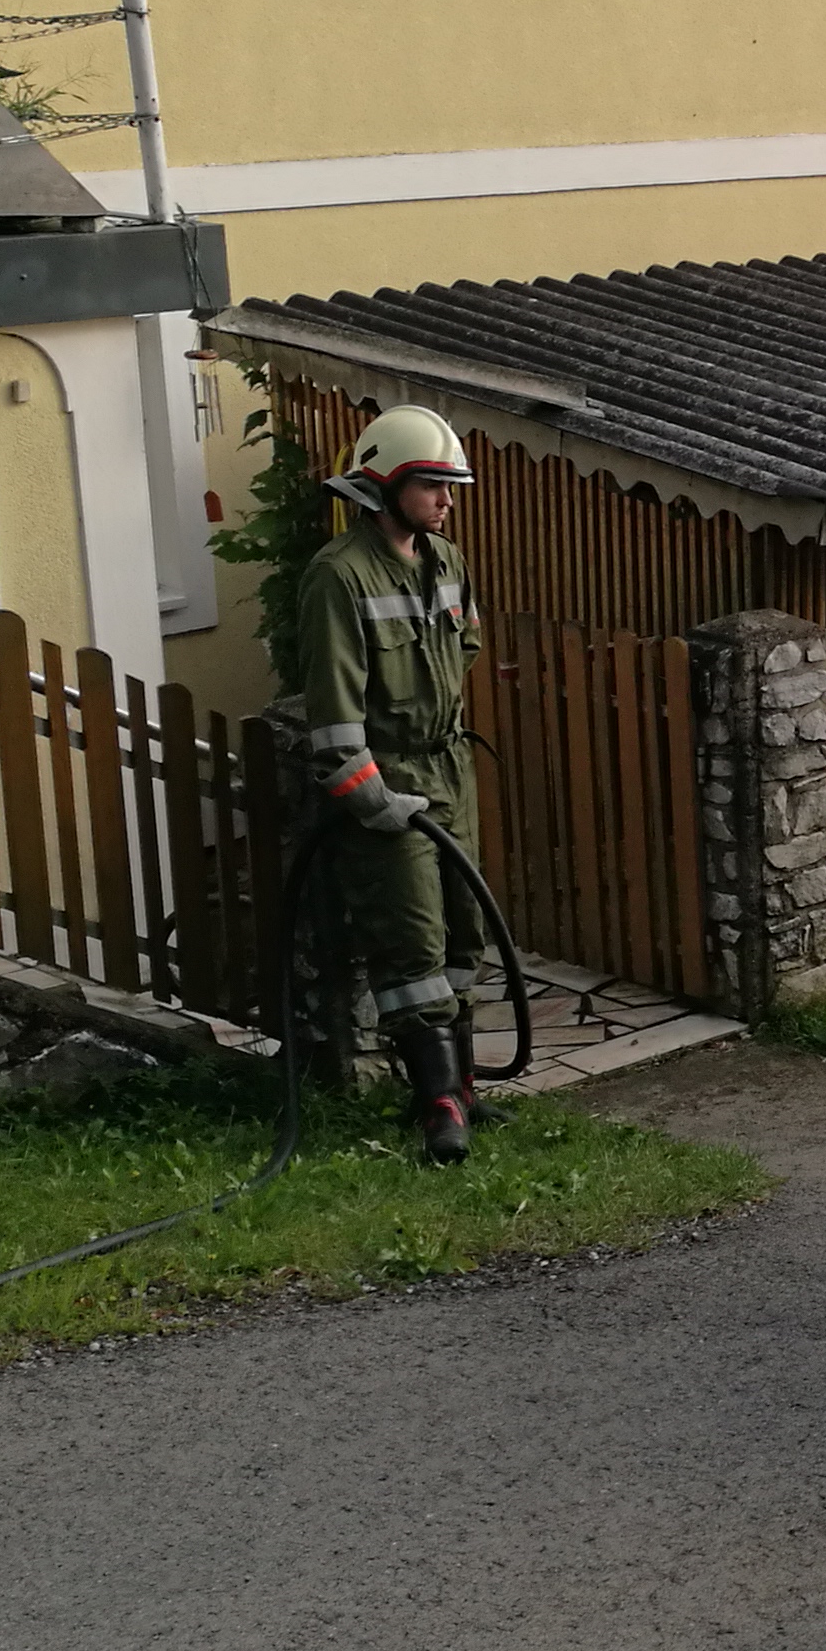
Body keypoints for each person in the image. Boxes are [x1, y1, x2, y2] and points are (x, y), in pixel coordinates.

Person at [300, 405, 494, 1164]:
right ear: (383, 486)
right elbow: (333, 701)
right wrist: (367, 791)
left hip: (450, 768)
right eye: (432, 486)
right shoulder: (338, 575)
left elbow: (465, 643)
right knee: (413, 945)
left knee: (464, 935)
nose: (446, 502)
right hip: (391, 779)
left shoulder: (447, 560)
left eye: (450, 487)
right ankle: (436, 1104)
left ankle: (465, 1089)